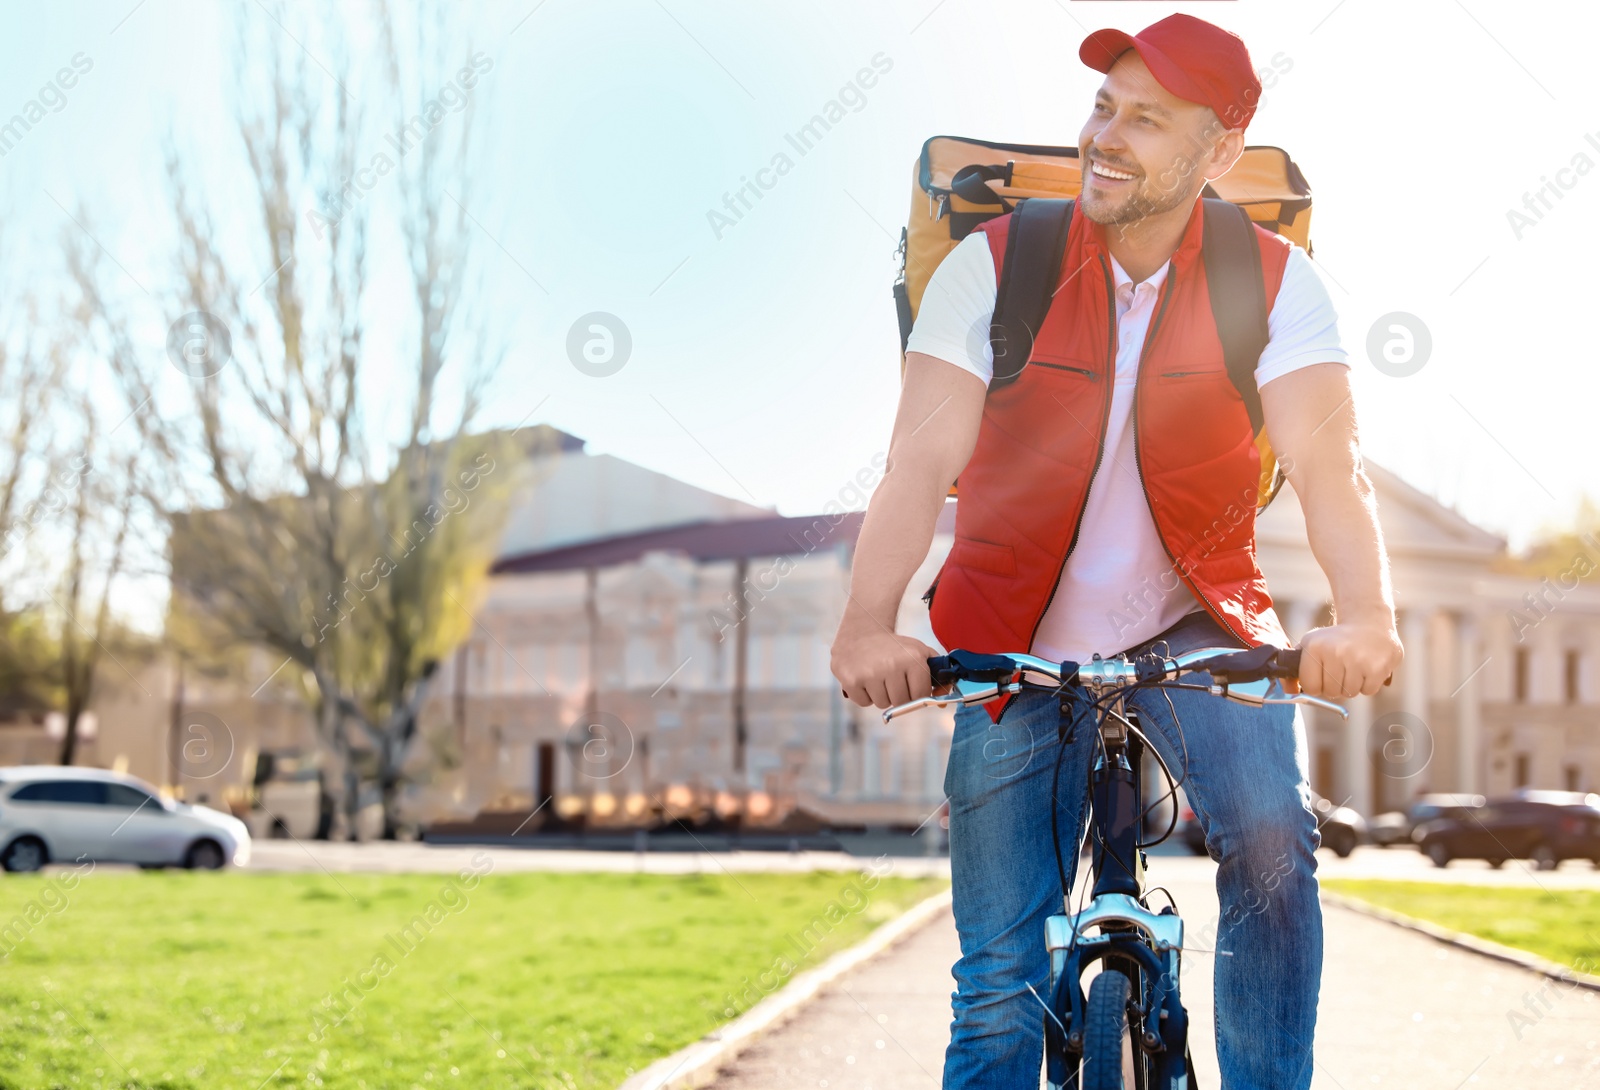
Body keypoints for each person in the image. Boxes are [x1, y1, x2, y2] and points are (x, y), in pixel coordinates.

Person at [829, 13, 1404, 1089]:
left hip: (1199, 628)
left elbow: (1333, 473)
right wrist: (869, 622)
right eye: (1104, 106)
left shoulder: (1272, 282)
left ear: (1217, 154)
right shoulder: (990, 266)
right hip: (1012, 640)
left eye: (1147, 118)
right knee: (999, 980)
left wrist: (1365, 616)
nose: (1108, 134)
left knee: (1275, 845)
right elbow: (915, 468)